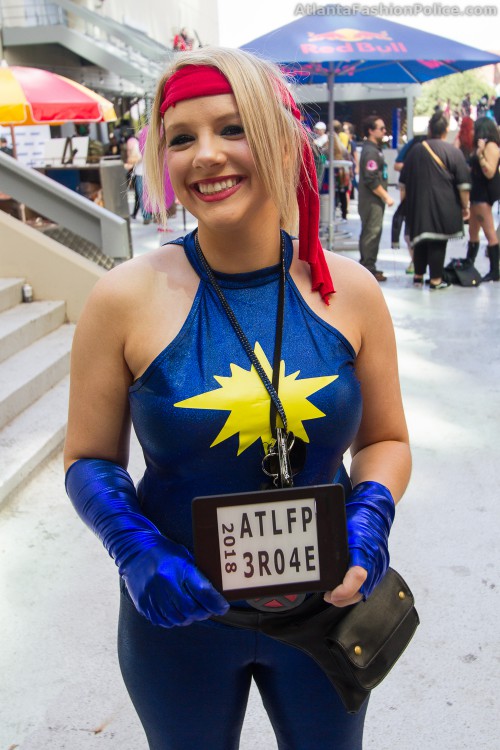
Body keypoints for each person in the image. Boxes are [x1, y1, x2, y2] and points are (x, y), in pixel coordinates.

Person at [64, 46, 411, 750]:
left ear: (284, 142)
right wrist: (135, 548)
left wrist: (371, 514)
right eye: (181, 138)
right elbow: (88, 458)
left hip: (329, 612)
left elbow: (386, 439)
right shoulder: (123, 297)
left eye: (232, 129)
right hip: (180, 624)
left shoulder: (350, 291)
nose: (206, 156)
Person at [399, 112, 471, 289]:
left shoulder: (415, 150)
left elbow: (403, 183)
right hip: (444, 205)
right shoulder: (453, 152)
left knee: (420, 239)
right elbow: (463, 185)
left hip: (418, 205)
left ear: (429, 129)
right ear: (446, 130)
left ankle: (418, 276)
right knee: (438, 241)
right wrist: (465, 206)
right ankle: (436, 280)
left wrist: (405, 205)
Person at [358, 115, 394, 282]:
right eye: (381, 128)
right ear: (371, 131)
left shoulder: (374, 149)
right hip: (372, 200)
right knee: (371, 233)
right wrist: (386, 196)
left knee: (372, 232)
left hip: (373, 200)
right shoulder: (371, 151)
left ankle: (368, 266)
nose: (384, 131)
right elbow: (370, 178)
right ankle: (368, 268)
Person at [468, 116, 500, 281]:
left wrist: (480, 155)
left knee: (489, 233)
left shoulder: (491, 147)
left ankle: (495, 270)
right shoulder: (480, 146)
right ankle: (469, 264)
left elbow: (490, 171)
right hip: (476, 194)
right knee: (473, 232)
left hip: (483, 195)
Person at [392, 134, 427, 273]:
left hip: (422, 201)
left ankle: (418, 264)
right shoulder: (416, 144)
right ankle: (416, 263)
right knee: (410, 235)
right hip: (414, 201)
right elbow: (397, 166)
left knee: (414, 235)